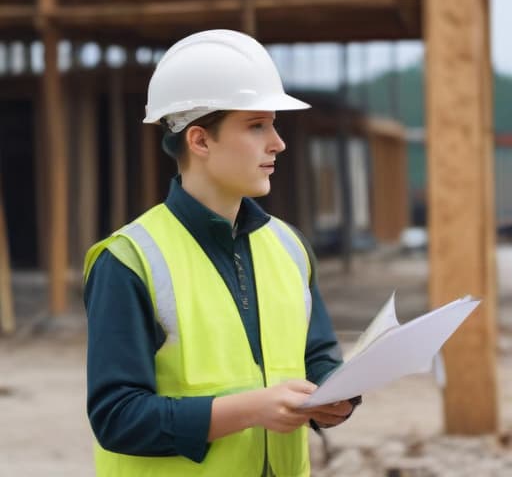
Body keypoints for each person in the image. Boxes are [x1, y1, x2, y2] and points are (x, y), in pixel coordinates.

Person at [83, 29, 359, 477]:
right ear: (200, 141)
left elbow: (319, 356)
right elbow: (117, 418)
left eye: (274, 124)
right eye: (256, 126)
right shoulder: (128, 261)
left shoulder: (288, 246)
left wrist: (337, 396)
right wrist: (251, 409)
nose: (278, 143)